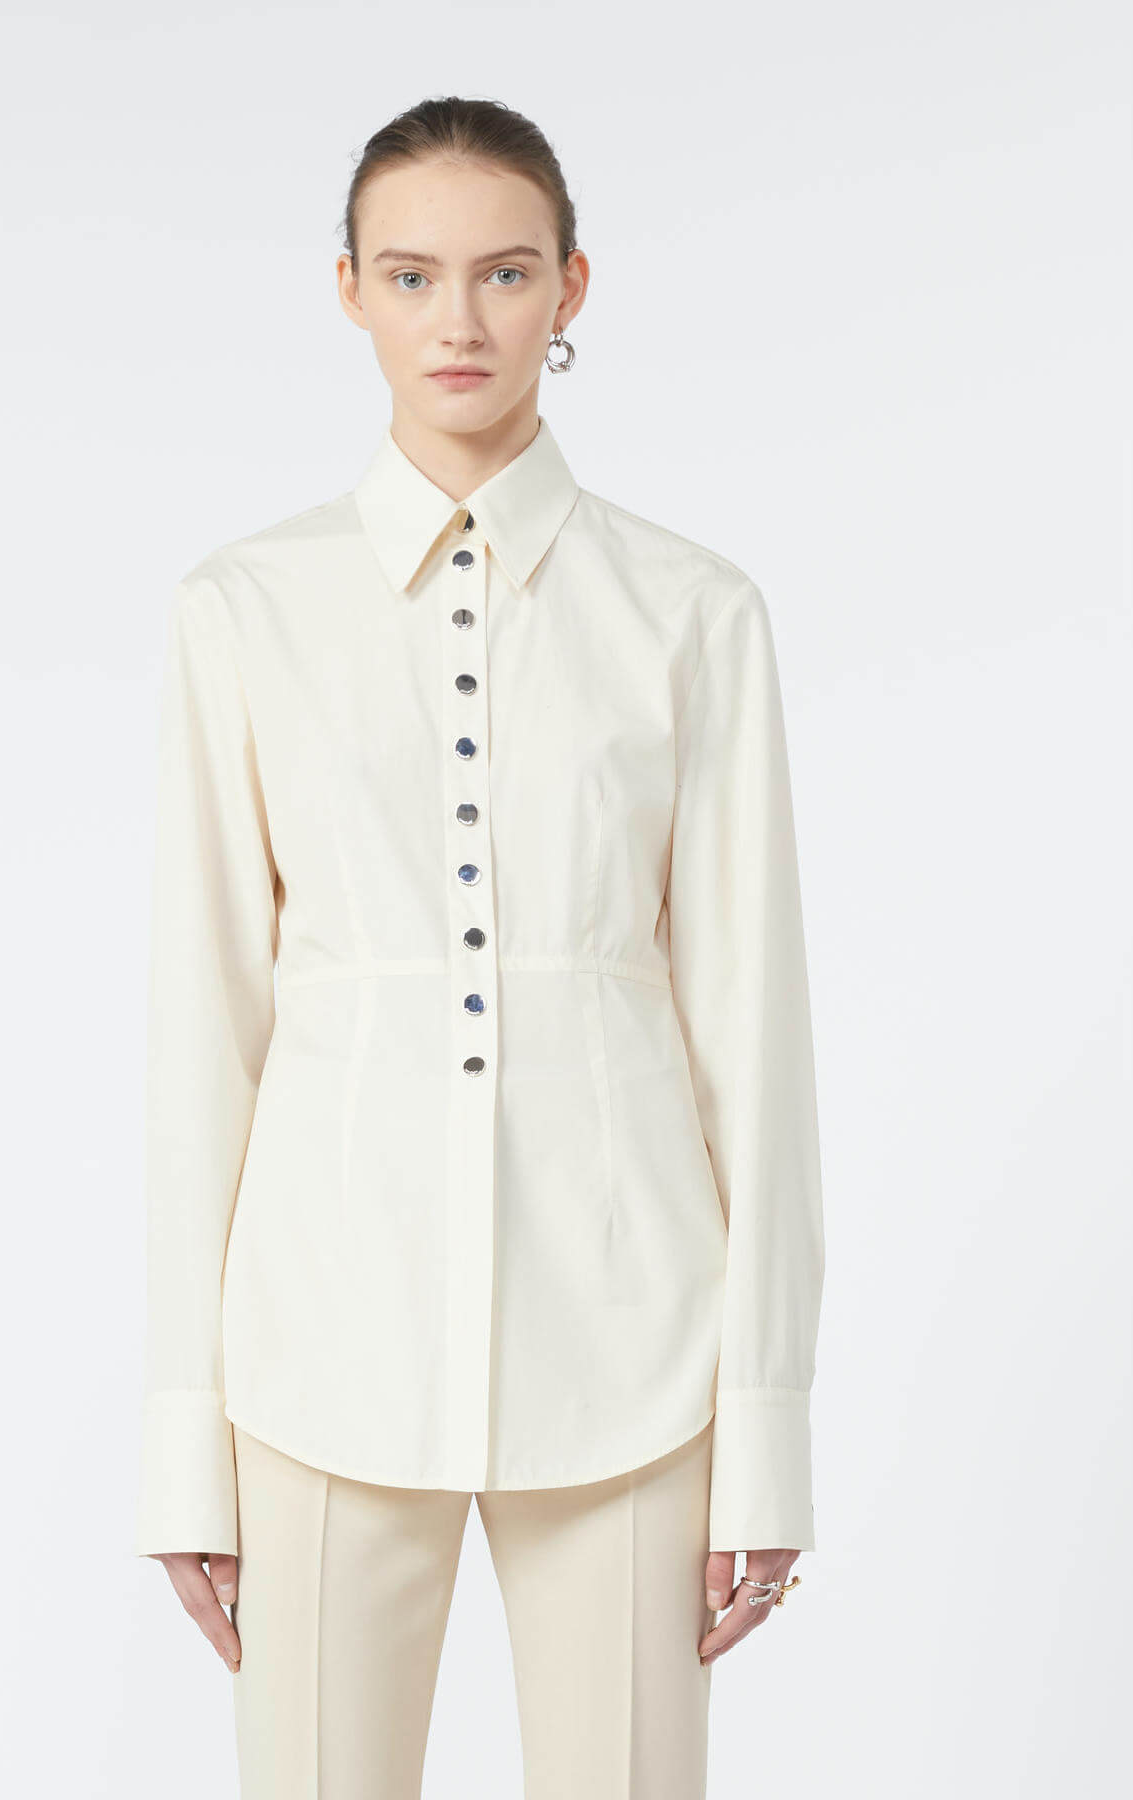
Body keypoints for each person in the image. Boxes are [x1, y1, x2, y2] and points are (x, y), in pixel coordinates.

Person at [134, 94, 826, 1800]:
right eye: (412, 274)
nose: (459, 320)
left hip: (631, 1346)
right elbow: (200, 1042)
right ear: (349, 290)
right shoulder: (244, 609)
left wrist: (766, 1435)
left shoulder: (691, 612)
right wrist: (183, 1448)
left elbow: (753, 1039)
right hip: (315, 1347)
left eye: (505, 273)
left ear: (570, 288)